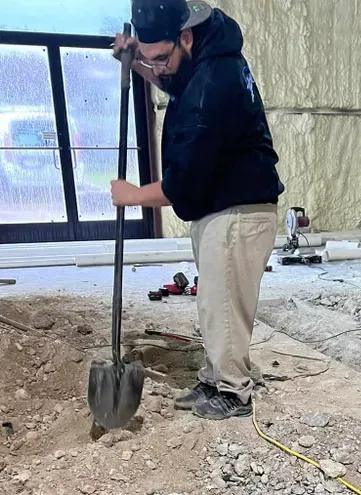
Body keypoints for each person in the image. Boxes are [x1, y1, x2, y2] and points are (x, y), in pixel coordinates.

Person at [111, 0, 283, 420]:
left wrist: (132, 195)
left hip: (238, 212)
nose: (160, 69)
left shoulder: (213, 85)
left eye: (160, 58)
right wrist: (137, 62)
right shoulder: (209, 58)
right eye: (150, 59)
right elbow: (176, 79)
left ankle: (233, 392)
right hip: (225, 207)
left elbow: (183, 185)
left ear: (185, 37)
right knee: (215, 301)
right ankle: (216, 376)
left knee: (223, 305)